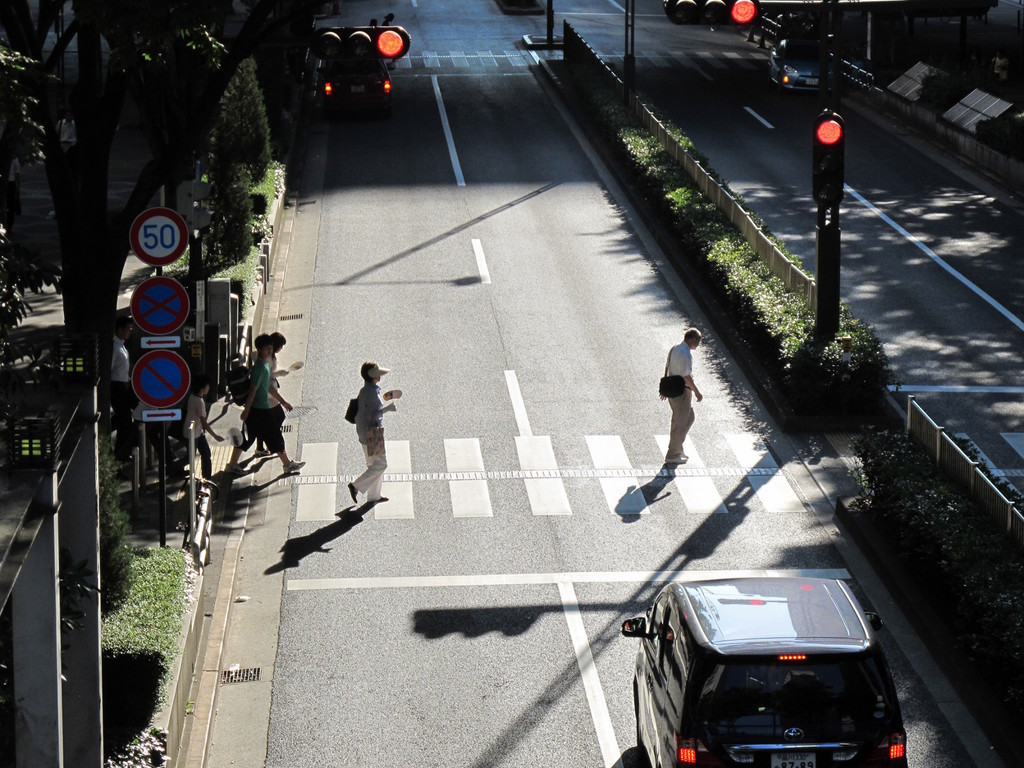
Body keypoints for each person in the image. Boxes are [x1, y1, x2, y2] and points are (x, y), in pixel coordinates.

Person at [225, 334, 304, 476]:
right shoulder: (260, 368)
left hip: (260, 408)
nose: (270, 351)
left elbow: (268, 386)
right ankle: (287, 464)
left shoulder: (264, 366)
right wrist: (247, 410)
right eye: (267, 348)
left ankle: (232, 465)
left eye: (271, 348)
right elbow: (253, 390)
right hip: (259, 409)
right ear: (260, 349)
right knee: (274, 436)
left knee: (249, 437)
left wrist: (283, 401)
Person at [347, 361, 400, 506]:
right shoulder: (371, 393)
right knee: (381, 464)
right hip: (373, 432)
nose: (380, 377)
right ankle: (356, 485)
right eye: (378, 375)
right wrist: (388, 409)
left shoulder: (366, 390)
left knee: (373, 464)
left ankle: (374, 496)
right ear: (373, 376)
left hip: (364, 432)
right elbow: (373, 414)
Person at [255, 331, 303, 457]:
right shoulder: (267, 360)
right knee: (278, 418)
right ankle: (273, 444)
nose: (281, 349)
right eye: (281, 346)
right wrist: (280, 374)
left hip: (269, 393)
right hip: (269, 394)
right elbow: (266, 378)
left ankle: (262, 446)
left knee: (270, 420)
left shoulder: (267, 358)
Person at [661, 328, 703, 465]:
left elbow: (668, 367)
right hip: (682, 392)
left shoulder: (675, 348)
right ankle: (672, 454)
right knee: (679, 423)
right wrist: (696, 391)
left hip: (674, 390)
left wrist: (664, 389)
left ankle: (678, 447)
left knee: (689, 418)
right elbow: (686, 376)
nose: (698, 344)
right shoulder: (685, 354)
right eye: (698, 341)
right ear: (692, 339)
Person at [185, 373, 223, 479]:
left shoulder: (193, 397)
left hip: (197, 432)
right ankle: (171, 468)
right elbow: (204, 423)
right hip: (193, 433)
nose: (209, 388)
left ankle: (207, 478)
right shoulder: (199, 402)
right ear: (203, 387)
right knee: (190, 457)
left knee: (206, 454)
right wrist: (215, 436)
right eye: (208, 386)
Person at [111, 315, 136, 462]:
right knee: (125, 421)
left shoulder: (121, 344)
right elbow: (111, 368)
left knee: (124, 420)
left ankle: (121, 453)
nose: (130, 331)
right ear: (119, 329)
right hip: (117, 386)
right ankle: (119, 456)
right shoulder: (115, 346)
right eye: (127, 329)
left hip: (124, 385)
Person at [4, 157, 20, 232]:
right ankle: (8, 226)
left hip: (9, 182)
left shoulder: (13, 157)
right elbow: (17, 173)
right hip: (10, 182)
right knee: (10, 206)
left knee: (10, 206)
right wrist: (18, 188)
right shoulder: (14, 157)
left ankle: (7, 225)